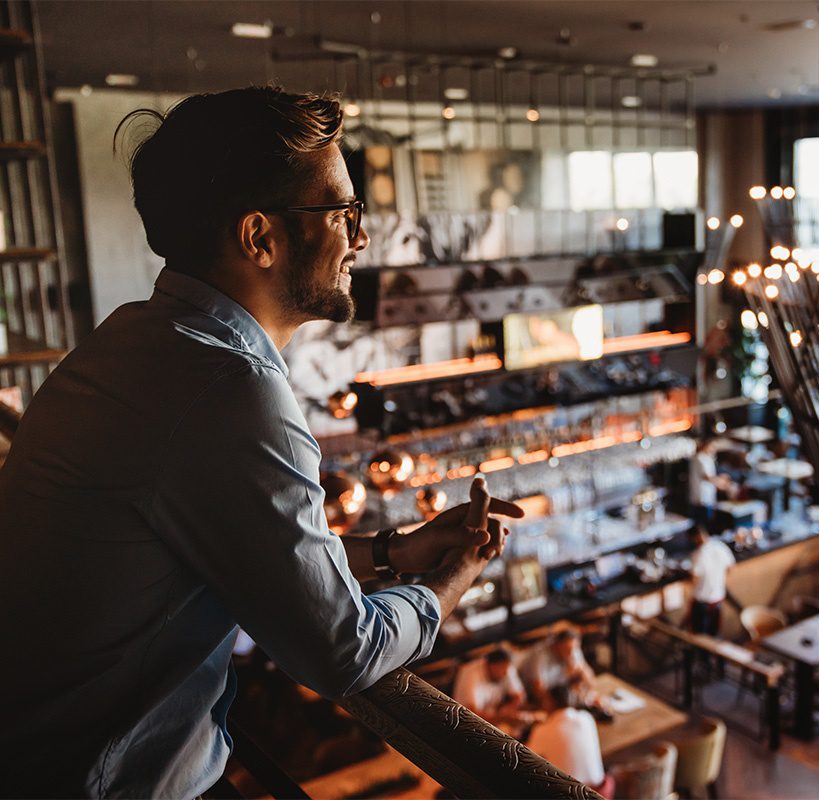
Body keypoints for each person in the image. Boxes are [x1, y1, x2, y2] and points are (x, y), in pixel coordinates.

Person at [0, 86, 523, 799]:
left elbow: (244, 549)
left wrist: (393, 553)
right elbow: (345, 652)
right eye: (341, 211)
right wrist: (454, 575)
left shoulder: (131, 339)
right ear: (260, 238)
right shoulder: (229, 387)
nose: (360, 236)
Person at [525, 686, 611, 794]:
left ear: (549, 703)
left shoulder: (543, 730)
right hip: (600, 792)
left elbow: (525, 759)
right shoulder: (587, 718)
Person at [520, 629, 597, 711]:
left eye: (575, 648)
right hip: (534, 696)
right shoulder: (540, 656)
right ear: (556, 645)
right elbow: (538, 689)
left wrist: (581, 670)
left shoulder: (572, 649)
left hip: (559, 692)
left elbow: (591, 681)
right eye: (567, 649)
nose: (571, 653)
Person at [452, 648, 527, 728]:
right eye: (502, 670)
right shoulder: (469, 674)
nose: (505, 674)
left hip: (493, 720)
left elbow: (520, 696)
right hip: (466, 725)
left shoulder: (505, 667)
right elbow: (471, 715)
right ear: (490, 665)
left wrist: (506, 710)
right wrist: (502, 718)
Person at [687, 526, 736, 637]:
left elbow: (694, 579)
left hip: (701, 602)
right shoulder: (721, 547)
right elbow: (730, 568)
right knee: (714, 635)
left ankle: (703, 654)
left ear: (695, 538)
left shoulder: (698, 555)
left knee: (699, 636)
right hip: (718, 599)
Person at [688, 438, 735, 533]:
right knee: (701, 526)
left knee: (707, 523)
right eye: (712, 446)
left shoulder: (708, 458)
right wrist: (724, 484)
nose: (714, 449)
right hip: (701, 498)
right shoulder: (699, 458)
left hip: (708, 498)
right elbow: (708, 477)